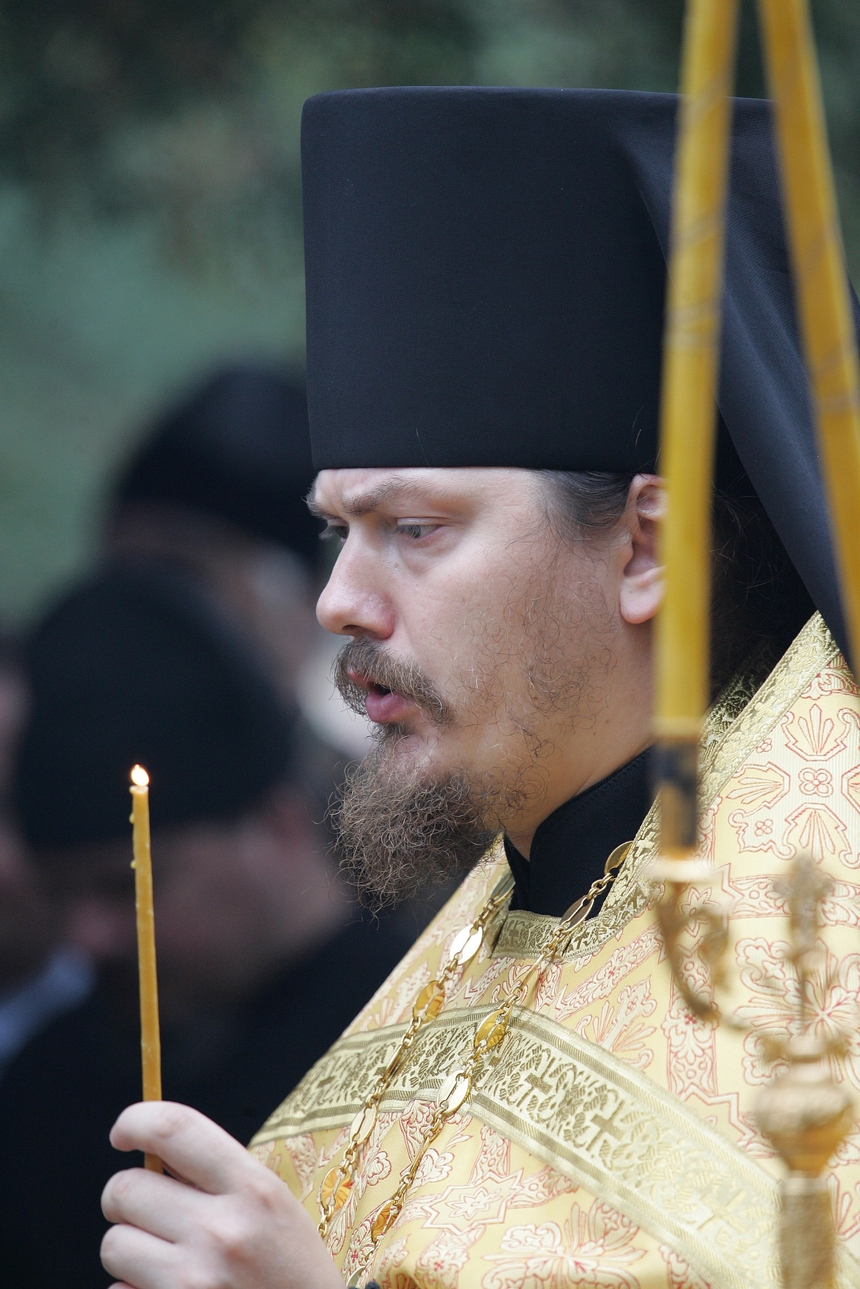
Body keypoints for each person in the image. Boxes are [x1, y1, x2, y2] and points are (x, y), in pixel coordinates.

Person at [97, 88, 860, 1288]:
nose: (337, 600)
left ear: (643, 549)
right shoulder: (497, 911)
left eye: (411, 526)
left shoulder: (822, 946)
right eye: (334, 530)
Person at [0, 566, 414, 1289]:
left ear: (278, 825)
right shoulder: (46, 1090)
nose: (88, 935)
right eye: (61, 892)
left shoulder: (428, 1023)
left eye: (125, 882)